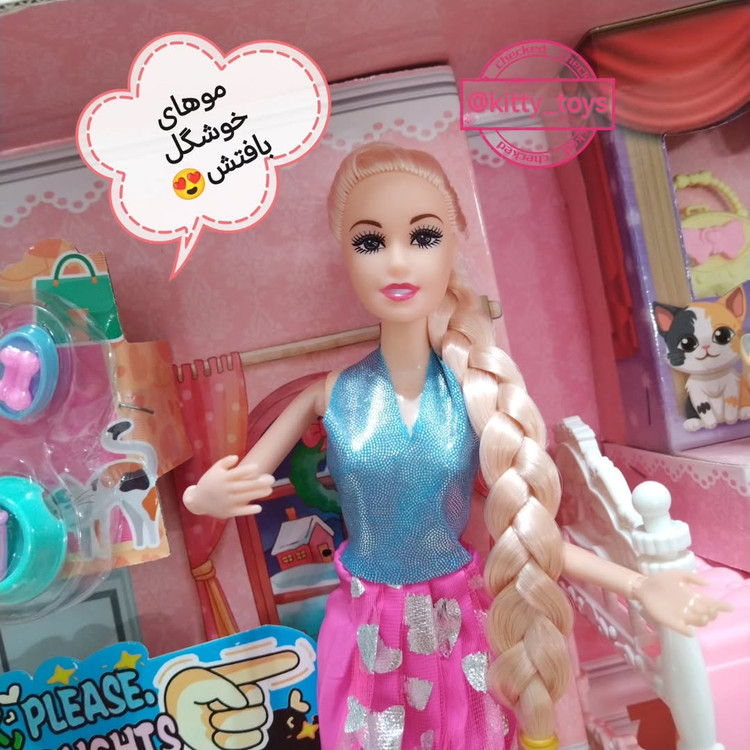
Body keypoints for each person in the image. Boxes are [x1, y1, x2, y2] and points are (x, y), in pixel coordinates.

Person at [184, 143, 727, 750]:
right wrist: (205, 497)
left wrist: (638, 586)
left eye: (422, 237)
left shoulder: (474, 393)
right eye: (370, 242)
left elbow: (528, 534)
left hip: (457, 627)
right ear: (346, 255)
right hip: (367, 630)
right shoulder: (329, 395)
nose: (397, 261)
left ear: (451, 248)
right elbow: (235, 480)